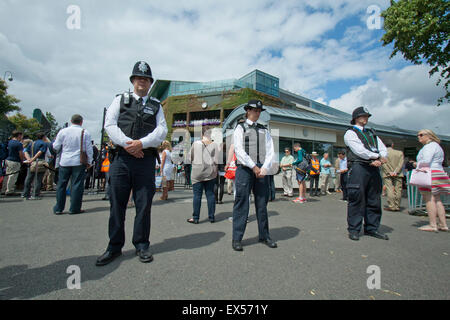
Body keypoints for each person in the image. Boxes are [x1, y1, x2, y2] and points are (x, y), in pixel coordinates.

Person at [96, 61, 167, 266]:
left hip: (144, 160)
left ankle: (142, 244)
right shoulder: (120, 100)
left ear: (150, 82)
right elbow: (109, 124)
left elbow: (161, 131)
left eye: (146, 79)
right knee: (117, 204)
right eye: (138, 78)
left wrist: (141, 144)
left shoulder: (156, 105)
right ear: (133, 81)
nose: (142, 81)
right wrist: (128, 144)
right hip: (121, 159)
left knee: (144, 205)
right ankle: (114, 247)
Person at [231, 99, 276, 251]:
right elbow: (238, 149)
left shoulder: (264, 129)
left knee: (262, 204)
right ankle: (237, 238)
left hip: (261, 170)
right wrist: (254, 166)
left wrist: (264, 168)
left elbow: (270, 151)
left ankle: (264, 236)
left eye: (259, 111)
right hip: (245, 169)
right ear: (248, 111)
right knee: (242, 203)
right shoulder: (240, 127)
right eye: (254, 110)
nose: (257, 113)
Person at [344, 106, 389, 241]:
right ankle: (354, 229)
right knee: (356, 198)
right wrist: (375, 157)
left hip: (374, 168)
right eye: (363, 116)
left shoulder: (372, 133)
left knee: (374, 198)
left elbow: (382, 148)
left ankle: (372, 227)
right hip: (359, 167)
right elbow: (359, 150)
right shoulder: (350, 133)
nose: (366, 119)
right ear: (356, 118)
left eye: (367, 116)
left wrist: (380, 158)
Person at [52, 114, 93, 214]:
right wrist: (89, 161)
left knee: (61, 184)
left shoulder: (63, 131)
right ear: (81, 122)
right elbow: (89, 148)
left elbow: (56, 146)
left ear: (71, 121)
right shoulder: (85, 132)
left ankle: (58, 208)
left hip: (65, 160)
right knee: (77, 185)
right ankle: (74, 208)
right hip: (78, 161)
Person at [413, 129, 449, 232]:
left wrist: (416, 164)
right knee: (437, 199)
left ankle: (433, 224)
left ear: (429, 136)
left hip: (429, 173)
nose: (418, 137)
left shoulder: (429, 147)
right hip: (438, 172)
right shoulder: (437, 146)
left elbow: (426, 161)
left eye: (421, 135)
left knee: (429, 199)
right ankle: (443, 224)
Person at [187, 126, 218, 224]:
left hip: (197, 172)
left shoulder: (196, 144)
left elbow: (189, 158)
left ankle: (195, 218)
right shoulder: (214, 145)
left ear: (202, 134)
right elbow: (217, 161)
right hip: (210, 173)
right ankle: (211, 217)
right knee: (210, 195)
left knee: (197, 195)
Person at [22, 132, 48, 200]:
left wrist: (29, 159)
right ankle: (35, 193)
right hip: (39, 161)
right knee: (38, 179)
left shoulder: (32, 143)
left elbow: (25, 151)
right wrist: (34, 158)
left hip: (31, 162)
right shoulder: (44, 143)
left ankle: (25, 193)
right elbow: (40, 152)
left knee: (29, 178)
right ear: (43, 137)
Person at [381, 140, 404, 212]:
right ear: (392, 145)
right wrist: (395, 171)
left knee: (389, 189)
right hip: (398, 173)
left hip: (387, 174)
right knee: (398, 189)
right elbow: (401, 163)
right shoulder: (399, 153)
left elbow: (383, 164)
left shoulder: (383, 154)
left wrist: (389, 172)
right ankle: (397, 205)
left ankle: (392, 206)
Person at [1, 130, 24, 196]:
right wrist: (22, 160)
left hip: (7, 159)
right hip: (15, 160)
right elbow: (21, 153)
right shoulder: (18, 144)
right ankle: (10, 190)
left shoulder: (9, 142)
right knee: (13, 176)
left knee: (7, 175)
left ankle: (4, 189)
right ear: (19, 135)